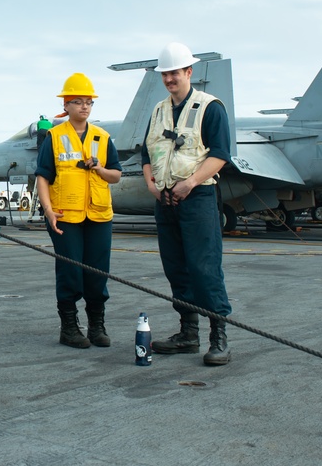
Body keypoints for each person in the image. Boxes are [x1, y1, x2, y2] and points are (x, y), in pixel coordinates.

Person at [143, 42, 233, 366]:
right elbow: (146, 153)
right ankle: (188, 333)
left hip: (197, 199)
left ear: (188, 72)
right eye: (165, 74)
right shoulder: (157, 111)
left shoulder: (210, 107)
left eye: (174, 73)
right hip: (165, 202)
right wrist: (150, 182)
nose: (169, 79)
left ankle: (218, 336)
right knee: (176, 270)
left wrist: (191, 182)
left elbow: (221, 153)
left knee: (204, 268)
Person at [34, 74, 122, 348]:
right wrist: (47, 211)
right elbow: (43, 177)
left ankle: (96, 325)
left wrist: (99, 168)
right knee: (70, 272)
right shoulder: (55, 137)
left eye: (88, 102)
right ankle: (69, 327)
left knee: (97, 273)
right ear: (66, 106)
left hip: (98, 215)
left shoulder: (103, 137)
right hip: (65, 216)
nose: (84, 107)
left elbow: (116, 176)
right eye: (77, 102)